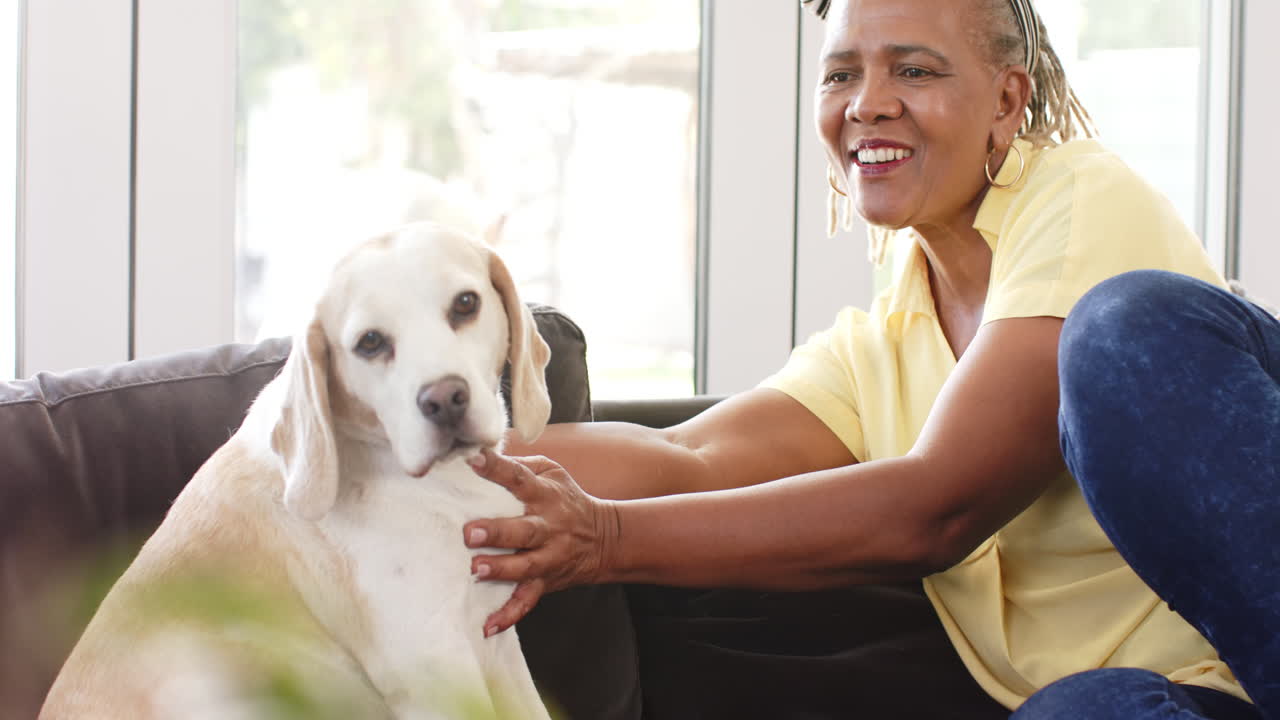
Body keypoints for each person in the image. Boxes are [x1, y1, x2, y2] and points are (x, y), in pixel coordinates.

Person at [459, 0, 1278, 717]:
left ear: (1006, 100)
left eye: (914, 70)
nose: (868, 103)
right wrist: (422, 457)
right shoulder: (884, 344)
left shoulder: (1084, 197)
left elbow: (937, 507)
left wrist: (606, 538)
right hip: (1195, 700)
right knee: (1079, 711)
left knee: (1117, 330)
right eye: (840, 75)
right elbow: (686, 457)